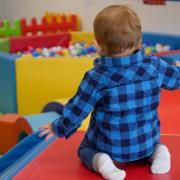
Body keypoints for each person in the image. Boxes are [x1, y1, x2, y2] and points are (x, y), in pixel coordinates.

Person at [39, 5, 180, 180]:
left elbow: (77, 111)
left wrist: (57, 128)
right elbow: (176, 80)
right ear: (140, 41)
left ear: (97, 45)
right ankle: (159, 153)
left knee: (84, 150)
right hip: (146, 142)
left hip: (109, 146)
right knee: (152, 143)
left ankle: (103, 162)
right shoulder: (155, 66)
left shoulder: (96, 78)